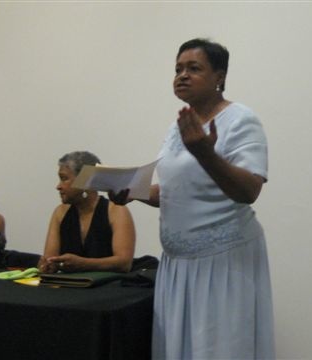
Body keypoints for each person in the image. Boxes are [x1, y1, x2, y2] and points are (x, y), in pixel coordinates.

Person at [110, 38, 275, 359]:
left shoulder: (241, 120)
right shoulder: (180, 126)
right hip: (177, 265)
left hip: (222, 263)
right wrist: (135, 193)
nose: (182, 75)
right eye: (178, 69)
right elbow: (176, 193)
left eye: (194, 68)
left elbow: (248, 191)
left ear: (220, 77)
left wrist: (205, 153)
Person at [38, 151, 135, 273]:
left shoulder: (116, 211)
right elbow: (50, 258)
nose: (58, 186)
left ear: (85, 182)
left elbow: (124, 263)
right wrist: (48, 265)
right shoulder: (60, 213)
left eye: (64, 179)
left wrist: (84, 264)